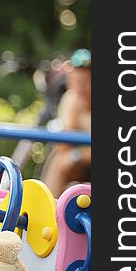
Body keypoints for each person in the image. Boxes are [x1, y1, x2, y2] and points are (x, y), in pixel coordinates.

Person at [41, 49, 91, 197]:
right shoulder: (71, 99)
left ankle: (49, 204)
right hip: (78, 160)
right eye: (75, 82)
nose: (80, 89)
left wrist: (76, 154)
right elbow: (62, 145)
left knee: (63, 162)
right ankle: (49, 205)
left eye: (85, 83)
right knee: (59, 160)